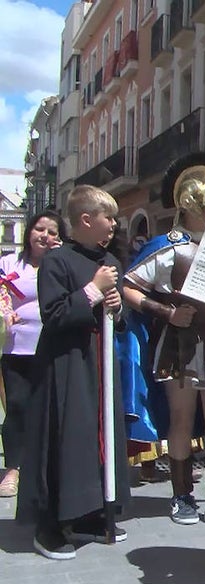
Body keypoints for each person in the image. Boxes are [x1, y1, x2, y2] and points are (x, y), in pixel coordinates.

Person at [122, 153, 205, 524]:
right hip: (181, 343)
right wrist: (166, 313)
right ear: (194, 207)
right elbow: (130, 286)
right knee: (180, 419)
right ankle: (182, 495)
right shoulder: (170, 245)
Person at [16, 185, 129, 560]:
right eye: (108, 218)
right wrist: (94, 291)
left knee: (96, 437)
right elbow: (55, 314)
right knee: (65, 436)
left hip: (98, 363)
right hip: (65, 364)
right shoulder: (56, 261)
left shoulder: (110, 260)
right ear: (85, 219)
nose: (114, 224)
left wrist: (116, 307)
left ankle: (89, 512)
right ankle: (49, 525)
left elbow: (119, 319)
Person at [0, 210, 65, 498]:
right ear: (29, 232)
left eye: (52, 232)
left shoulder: (63, 264)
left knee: (50, 410)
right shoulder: (9, 263)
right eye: (40, 229)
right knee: (16, 405)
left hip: (52, 346)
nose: (45, 236)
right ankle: (13, 469)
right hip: (15, 348)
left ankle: (45, 467)